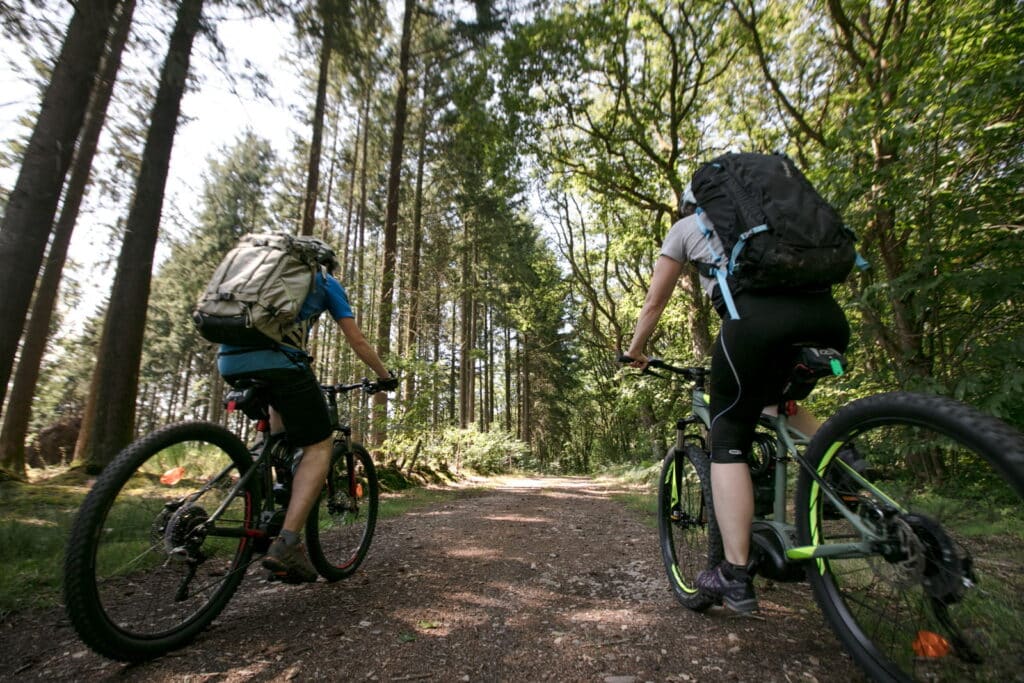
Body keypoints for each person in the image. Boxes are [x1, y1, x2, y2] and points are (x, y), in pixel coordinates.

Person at [623, 186, 850, 613]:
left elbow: (654, 301)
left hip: (756, 325)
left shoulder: (687, 227)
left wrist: (635, 350)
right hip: (829, 323)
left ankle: (734, 573)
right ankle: (843, 464)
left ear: (693, 205)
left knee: (728, 435)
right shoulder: (775, 221)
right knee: (775, 404)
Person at [217, 242, 397, 583]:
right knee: (318, 446)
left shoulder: (258, 275)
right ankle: (286, 543)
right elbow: (356, 340)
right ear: (326, 263)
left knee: (277, 436)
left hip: (229, 359)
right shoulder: (326, 282)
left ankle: (262, 508)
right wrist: (385, 377)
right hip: (279, 362)